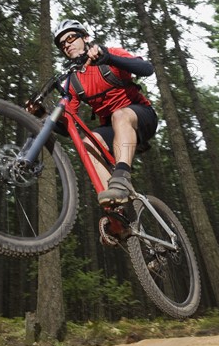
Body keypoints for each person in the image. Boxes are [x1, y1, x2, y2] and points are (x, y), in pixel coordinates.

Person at [53, 19, 158, 207]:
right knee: (87, 142)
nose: (67, 45)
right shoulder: (74, 80)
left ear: (85, 37)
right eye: (62, 45)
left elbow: (147, 69)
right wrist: (44, 115)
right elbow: (68, 128)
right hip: (112, 129)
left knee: (120, 115)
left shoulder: (108, 54)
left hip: (141, 116)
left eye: (70, 38)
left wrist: (109, 57)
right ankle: (116, 208)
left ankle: (122, 176)